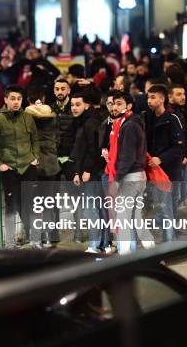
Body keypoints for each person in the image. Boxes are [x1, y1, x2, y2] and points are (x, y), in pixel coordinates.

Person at [0, 85, 40, 248]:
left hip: (28, 167)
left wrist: (35, 157)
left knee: (30, 205)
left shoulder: (28, 118)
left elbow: (35, 140)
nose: (16, 102)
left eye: (19, 99)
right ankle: (10, 243)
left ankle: (34, 239)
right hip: (9, 169)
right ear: (5, 100)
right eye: (12, 99)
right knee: (11, 206)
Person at [106, 92, 154, 254]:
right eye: (113, 103)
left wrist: (117, 180)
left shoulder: (129, 126)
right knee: (136, 218)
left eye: (119, 103)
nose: (114, 107)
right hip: (138, 176)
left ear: (129, 106)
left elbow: (127, 157)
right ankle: (152, 251)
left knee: (123, 219)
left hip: (130, 177)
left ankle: (124, 257)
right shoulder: (132, 123)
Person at [145, 84, 185, 242]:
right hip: (156, 171)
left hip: (171, 170)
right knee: (164, 206)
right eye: (148, 97)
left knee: (168, 206)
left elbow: (179, 146)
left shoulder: (172, 118)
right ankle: (172, 238)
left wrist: (161, 158)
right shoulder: (148, 117)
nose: (149, 100)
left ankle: (169, 243)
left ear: (162, 99)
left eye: (153, 97)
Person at [70, 92, 109, 253]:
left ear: (87, 105)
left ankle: (95, 244)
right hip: (91, 171)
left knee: (91, 208)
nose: (74, 108)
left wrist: (85, 171)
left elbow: (94, 149)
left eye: (78, 104)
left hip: (93, 173)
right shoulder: (83, 121)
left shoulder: (90, 122)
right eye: (72, 105)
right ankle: (103, 243)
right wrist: (77, 172)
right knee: (98, 208)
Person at [25, 87, 61, 248]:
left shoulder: (30, 122)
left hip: (37, 168)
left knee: (35, 205)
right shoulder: (52, 120)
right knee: (49, 204)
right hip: (51, 167)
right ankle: (49, 236)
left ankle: (37, 239)